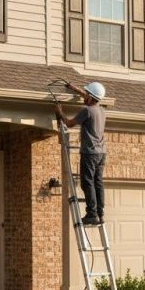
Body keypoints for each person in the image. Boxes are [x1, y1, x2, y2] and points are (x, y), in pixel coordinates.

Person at [55, 81, 107, 226]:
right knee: (98, 182)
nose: (84, 97)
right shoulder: (101, 110)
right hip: (101, 153)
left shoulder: (87, 111)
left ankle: (91, 214)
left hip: (89, 153)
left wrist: (60, 113)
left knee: (87, 182)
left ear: (90, 98)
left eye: (86, 95)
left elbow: (69, 124)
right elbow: (88, 96)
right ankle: (100, 213)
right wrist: (73, 88)